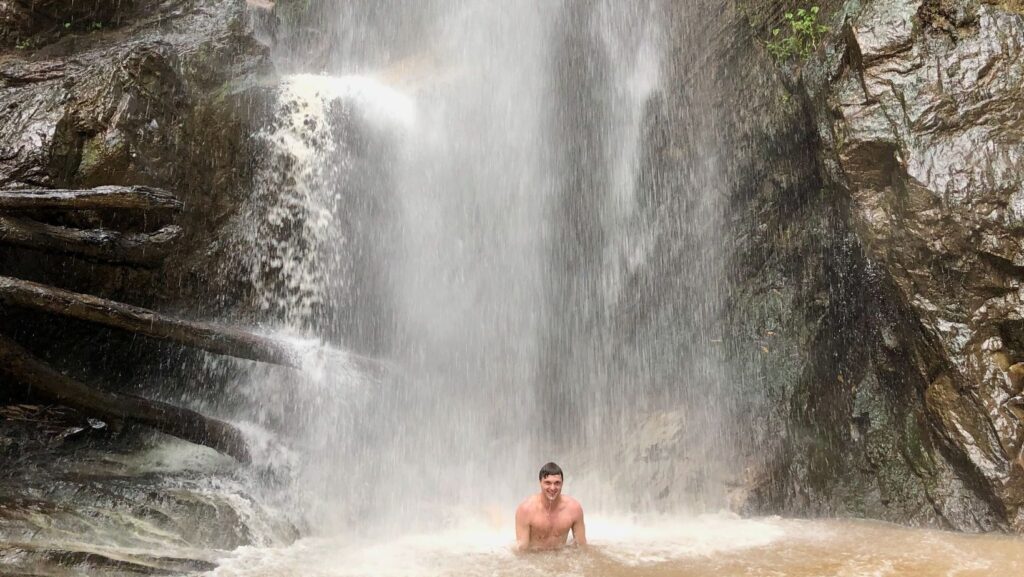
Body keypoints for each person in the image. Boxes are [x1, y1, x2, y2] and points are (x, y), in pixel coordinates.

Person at [515, 462, 586, 551]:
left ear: (562, 483)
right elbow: (521, 551)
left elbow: (582, 548)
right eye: (547, 483)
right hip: (535, 560)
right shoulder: (525, 510)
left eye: (557, 483)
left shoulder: (574, 509)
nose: (552, 488)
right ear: (540, 482)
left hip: (561, 558)